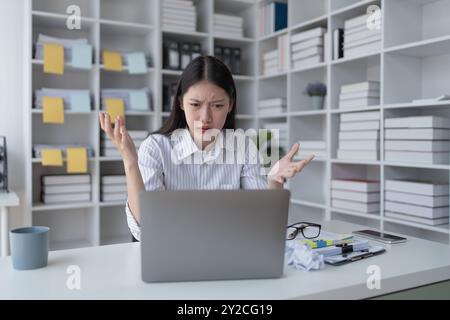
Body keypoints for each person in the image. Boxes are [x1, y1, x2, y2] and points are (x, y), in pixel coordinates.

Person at [99, 56, 314, 241]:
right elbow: (145, 229)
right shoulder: (156, 148)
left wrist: (274, 181)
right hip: (171, 257)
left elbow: (263, 225)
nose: (206, 117)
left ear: (230, 105)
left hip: (226, 257)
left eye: (218, 105)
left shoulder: (243, 147)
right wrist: (130, 161)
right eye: (195, 105)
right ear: (181, 103)